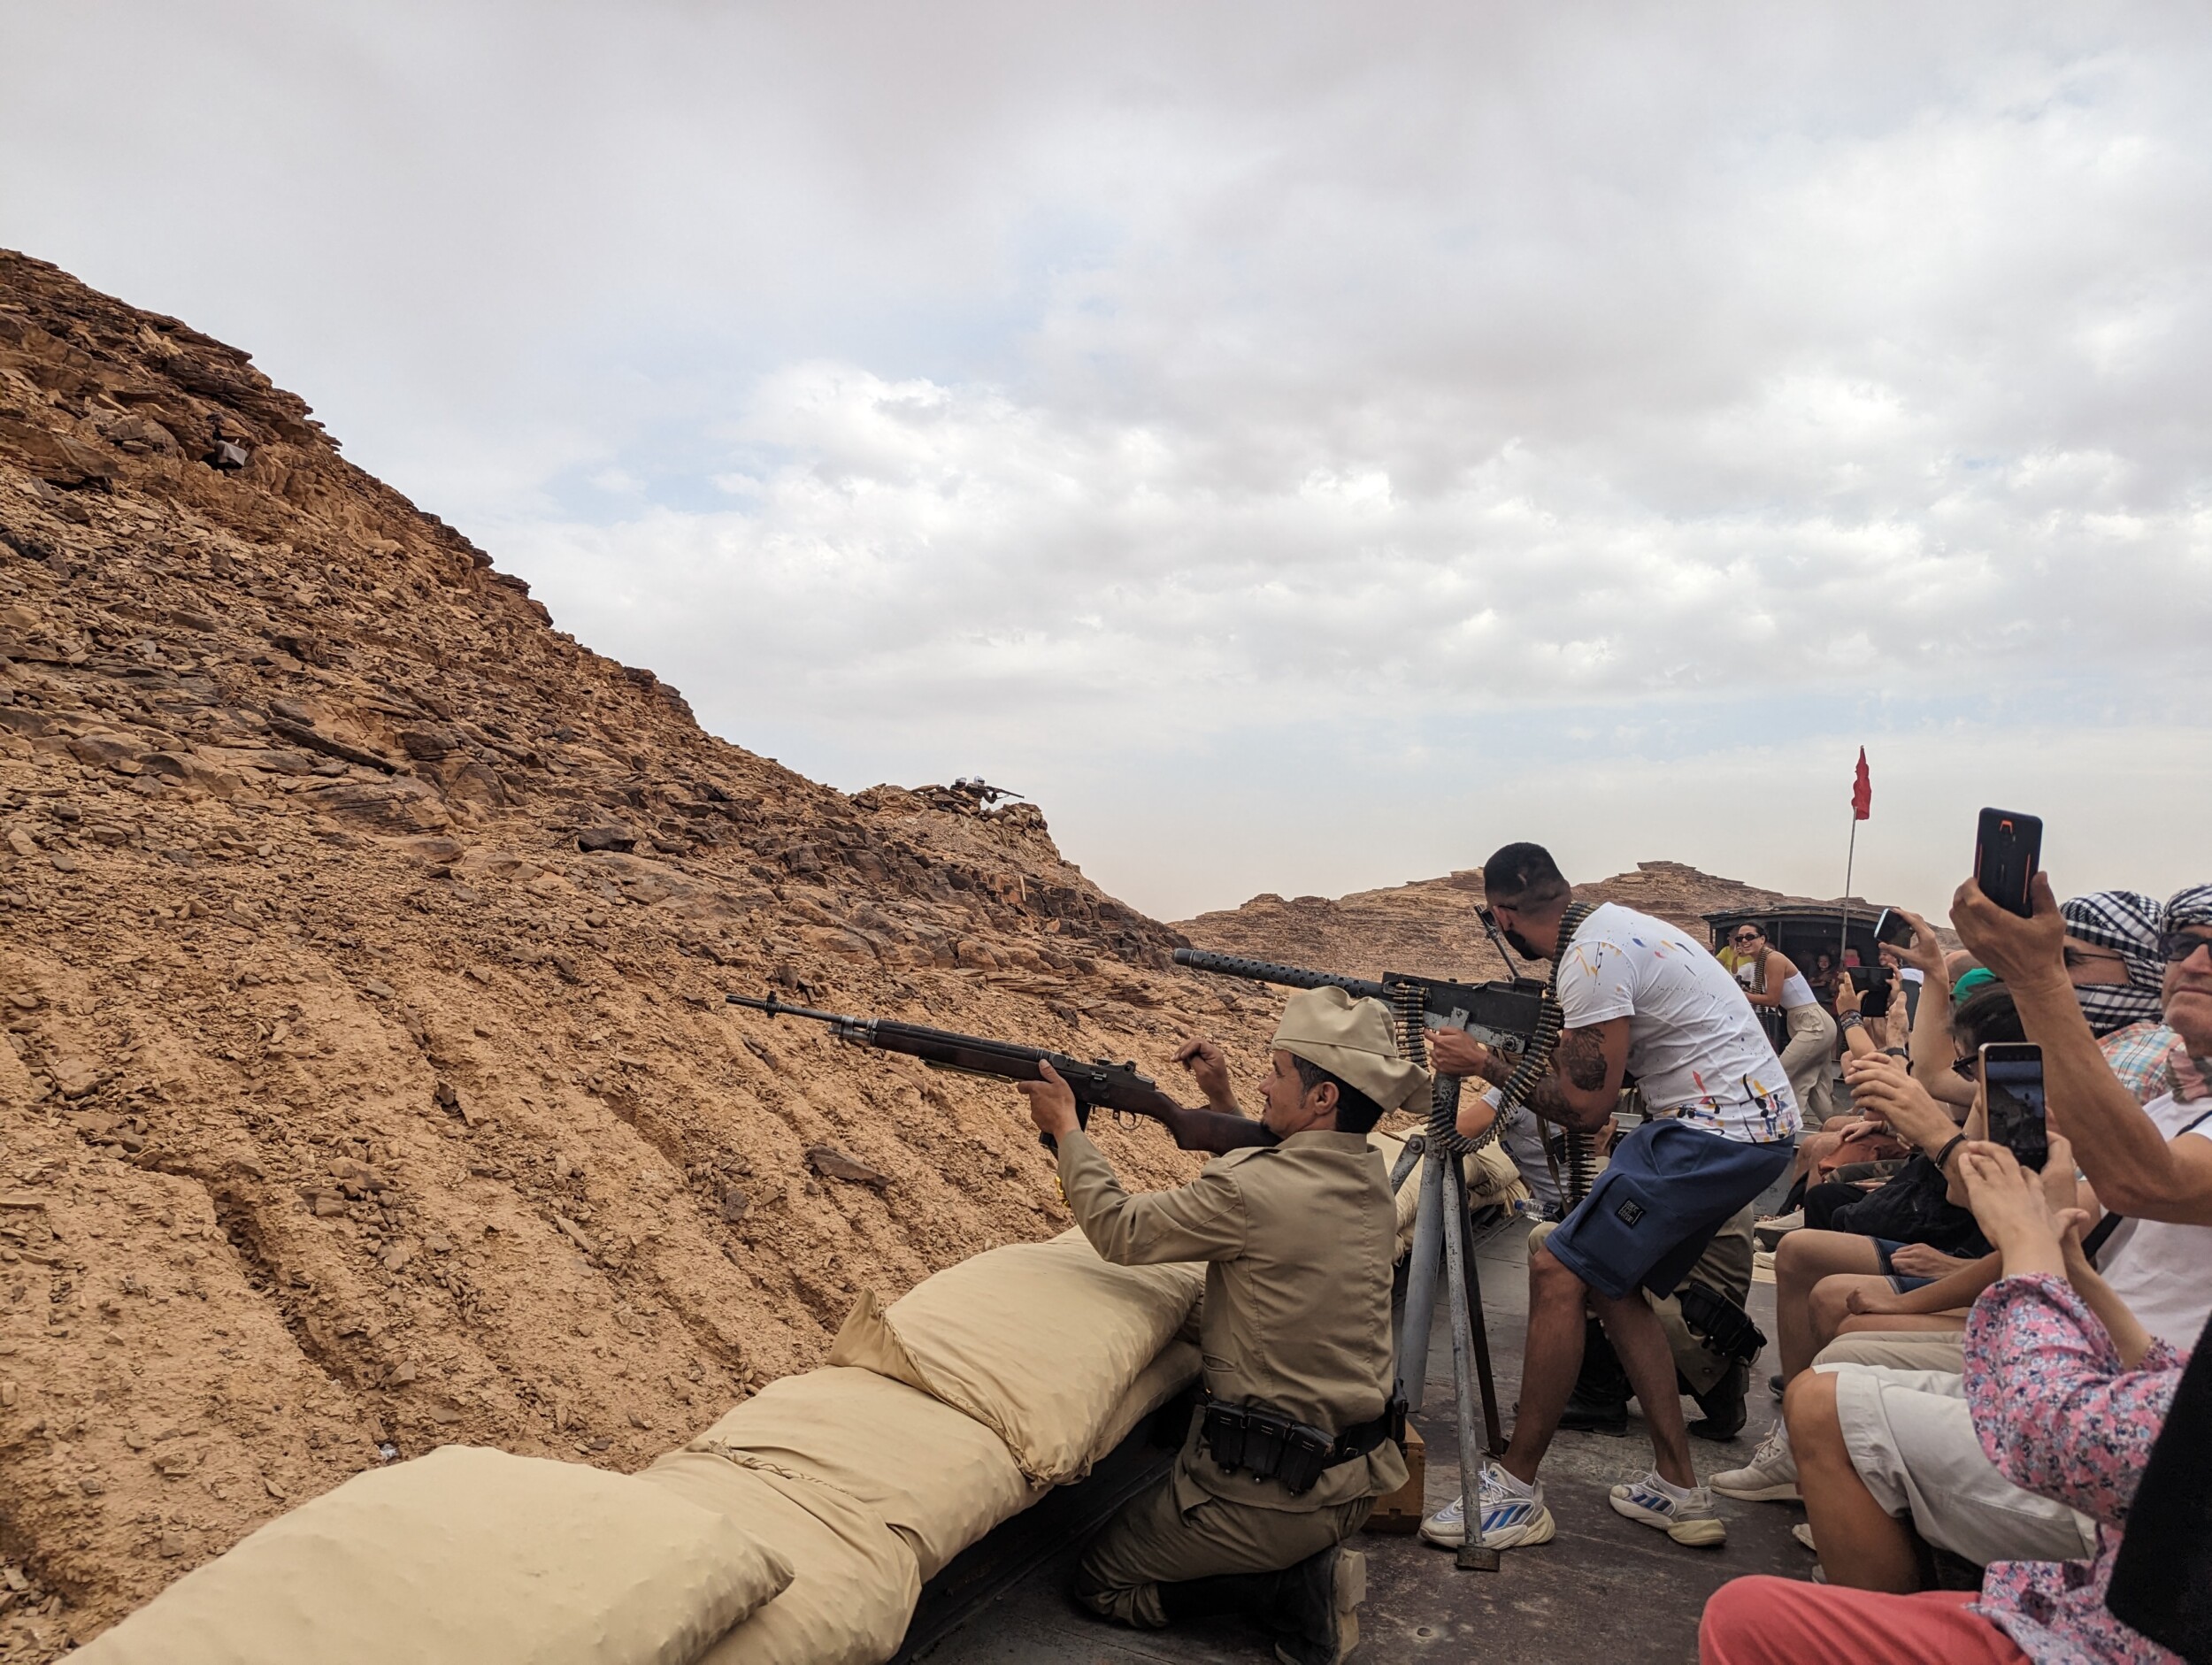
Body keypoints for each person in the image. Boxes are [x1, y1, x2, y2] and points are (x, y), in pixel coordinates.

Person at [1018, 985, 1425, 1665]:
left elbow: (1121, 1232)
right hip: (1355, 1479)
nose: (1264, 1082)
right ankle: (1295, 1565)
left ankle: (1286, 1592)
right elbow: (1268, 1190)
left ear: (1324, 1099)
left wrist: (1066, 1129)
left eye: (1279, 1072)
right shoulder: (1368, 1177)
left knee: (1104, 1584)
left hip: (1271, 1497)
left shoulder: (1251, 1192)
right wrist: (1222, 1100)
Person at [1417, 843, 1799, 1553]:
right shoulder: (1612, 928)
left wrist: (1484, 1062)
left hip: (1713, 1133)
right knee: (1612, 1285)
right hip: (1745, 1134)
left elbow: (1587, 1108)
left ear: (1502, 914)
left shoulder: (1589, 959)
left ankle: (1517, 1491)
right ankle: (1681, 1489)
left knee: (1557, 1270)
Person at [1697, 1138, 2190, 1665]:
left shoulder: (2180, 1147)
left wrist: (2027, 1247)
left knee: (1825, 1396)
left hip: (2120, 1607)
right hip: (2108, 1551)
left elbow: (2046, 1436)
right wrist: (2074, 1270)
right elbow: (2171, 1379)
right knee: (1829, 1372)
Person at [1731, 922, 1839, 1124]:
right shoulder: (1760, 965)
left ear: (1762, 939)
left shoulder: (1773, 959)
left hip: (1812, 1023)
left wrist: (1740, 995)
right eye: (1740, 938)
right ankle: (1837, 1126)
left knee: (1781, 1074)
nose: (1744, 941)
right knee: (1816, 1087)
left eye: (1750, 937)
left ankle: (1780, 1125)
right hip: (1804, 1023)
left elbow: (1772, 999)